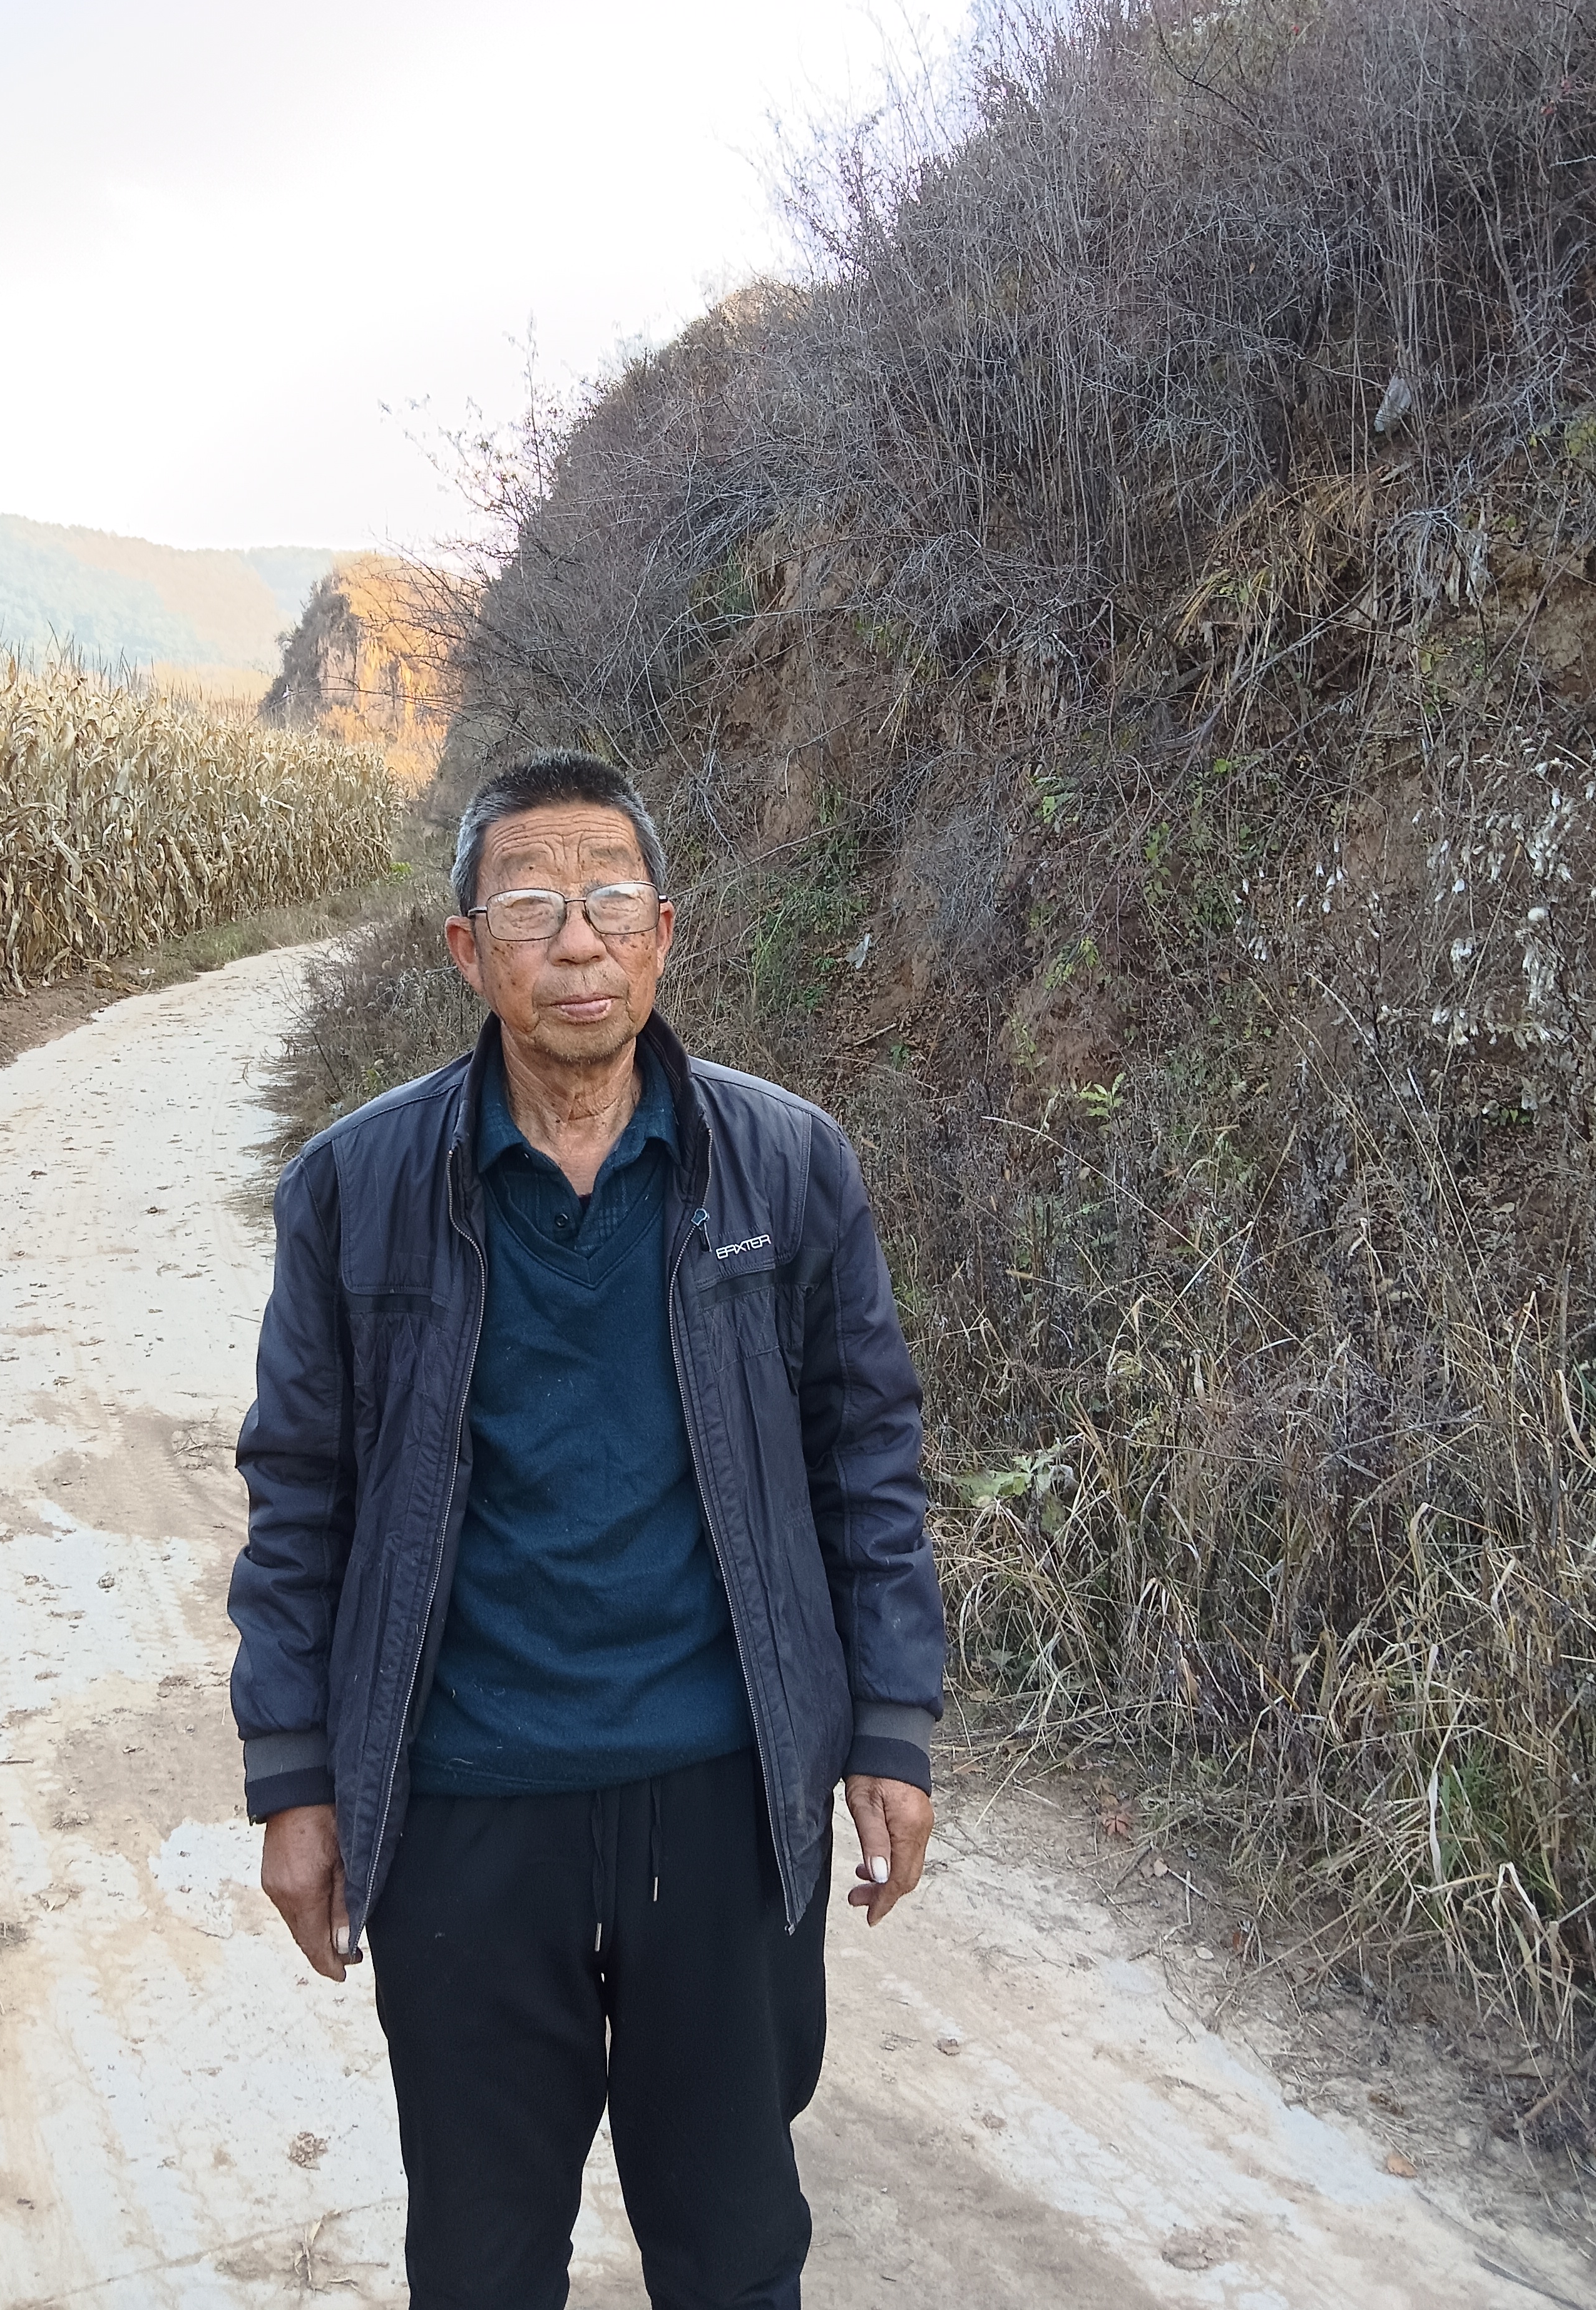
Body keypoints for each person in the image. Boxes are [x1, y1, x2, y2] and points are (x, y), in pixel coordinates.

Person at [228, 749, 945, 2310]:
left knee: (734, 2254)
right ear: (466, 947)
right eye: (532, 906)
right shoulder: (355, 1188)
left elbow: (866, 1454)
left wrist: (891, 1723)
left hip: (721, 1796)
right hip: (469, 1809)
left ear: (664, 934)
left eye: (612, 900)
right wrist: (293, 1776)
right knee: (481, 2263)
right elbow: (300, 1494)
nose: (577, 942)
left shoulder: (785, 1165)